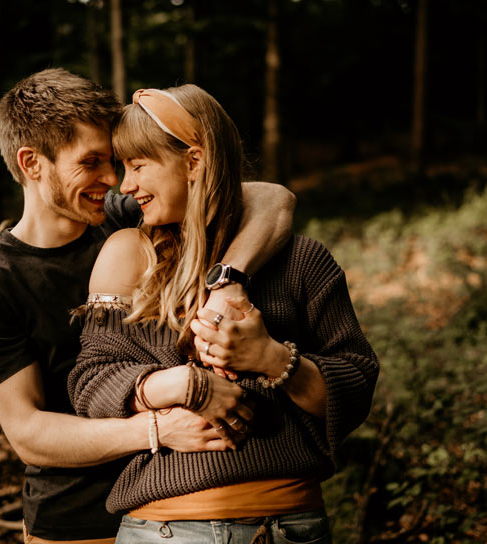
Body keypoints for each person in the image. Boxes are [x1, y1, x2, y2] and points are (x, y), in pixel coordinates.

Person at [0, 69, 297, 544]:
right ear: (32, 163)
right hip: (76, 523)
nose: (113, 179)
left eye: (115, 162)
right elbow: (28, 432)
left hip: (173, 510)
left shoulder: (124, 214)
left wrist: (229, 279)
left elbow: (272, 199)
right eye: (92, 162)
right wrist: (156, 429)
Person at [68, 85, 379, 543]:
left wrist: (274, 359)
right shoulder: (130, 256)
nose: (126, 186)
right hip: (165, 529)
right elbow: (89, 382)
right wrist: (178, 385)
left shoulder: (302, 261)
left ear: (194, 162)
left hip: (290, 528)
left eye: (138, 166)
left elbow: (355, 393)